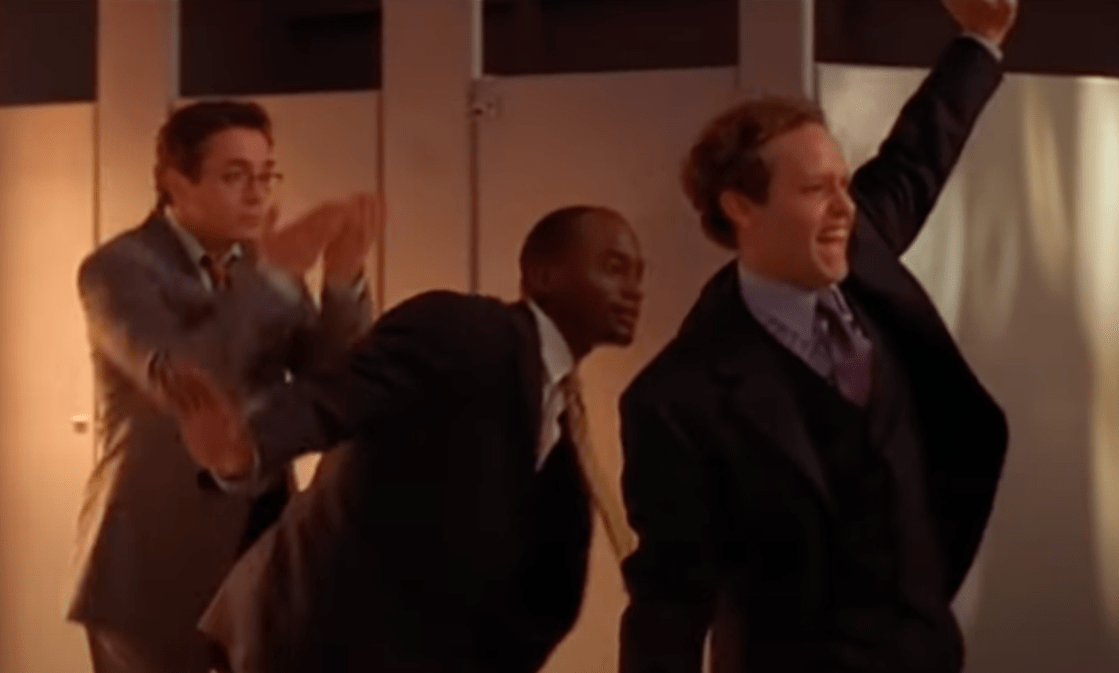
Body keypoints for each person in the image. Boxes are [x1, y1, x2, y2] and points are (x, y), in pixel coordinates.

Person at [617, 1, 1018, 672]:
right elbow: (668, 604)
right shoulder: (677, 398)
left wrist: (980, 39)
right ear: (740, 206)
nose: (843, 209)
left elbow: (918, 154)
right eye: (814, 190)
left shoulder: (861, 250)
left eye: (843, 184)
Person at [168, 205, 644, 673]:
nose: (633, 289)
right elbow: (342, 391)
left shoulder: (559, 421)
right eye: (614, 267)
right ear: (545, 276)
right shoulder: (465, 329)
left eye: (639, 274)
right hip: (307, 643)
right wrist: (245, 447)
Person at [67, 100, 379, 673]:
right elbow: (182, 378)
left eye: (266, 176)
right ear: (174, 182)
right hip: (154, 554)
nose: (257, 195)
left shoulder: (261, 265)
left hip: (261, 541)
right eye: (235, 176)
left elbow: (335, 381)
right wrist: (274, 278)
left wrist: (343, 280)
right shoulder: (118, 268)